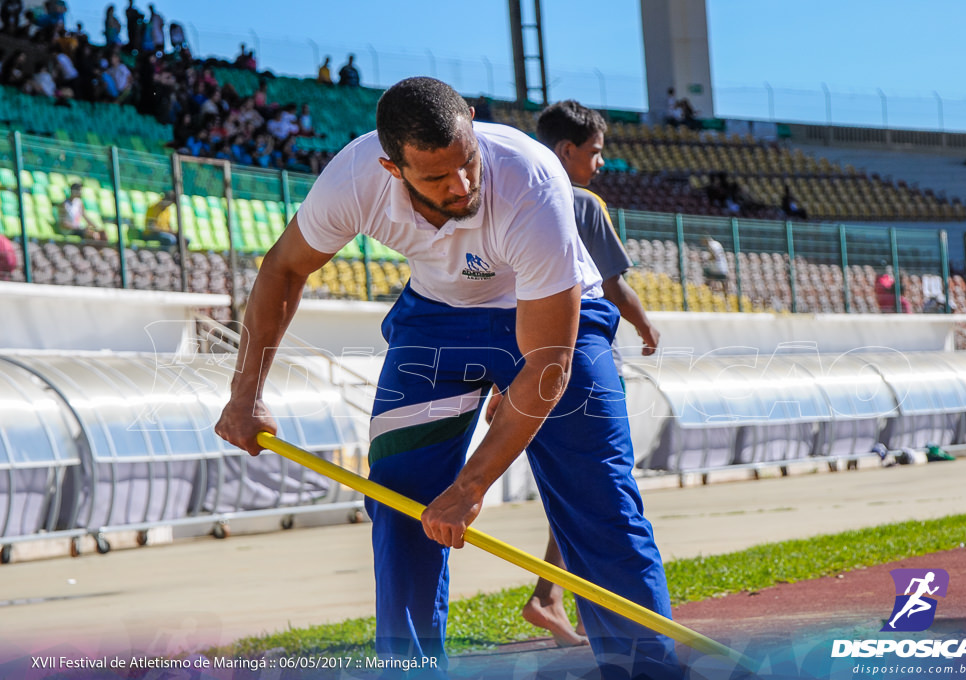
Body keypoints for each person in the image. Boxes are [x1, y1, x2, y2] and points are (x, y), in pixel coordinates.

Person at [214, 77, 682, 679]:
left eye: (467, 163)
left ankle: (648, 670)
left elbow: (548, 366)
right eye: (435, 179)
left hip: (550, 318)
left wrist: (471, 486)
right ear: (392, 167)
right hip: (438, 321)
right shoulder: (355, 178)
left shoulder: (531, 179)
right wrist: (245, 395)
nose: (460, 187)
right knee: (400, 499)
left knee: (601, 504)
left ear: (470, 121)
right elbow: (282, 269)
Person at [517, 98, 661, 647]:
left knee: (573, 488)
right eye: (596, 152)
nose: (600, 163)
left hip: (526, 358)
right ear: (566, 150)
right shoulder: (581, 203)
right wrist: (646, 328)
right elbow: (616, 285)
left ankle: (549, 596)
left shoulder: (511, 199)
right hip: (583, 359)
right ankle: (587, 610)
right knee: (601, 490)